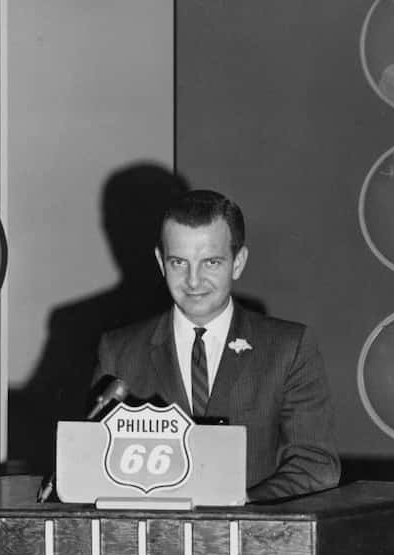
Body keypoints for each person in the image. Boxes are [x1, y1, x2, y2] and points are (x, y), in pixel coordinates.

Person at [93, 188, 340, 501]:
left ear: (238, 262)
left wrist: (243, 506)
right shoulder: (118, 351)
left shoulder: (289, 349)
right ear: (160, 262)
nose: (193, 281)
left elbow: (317, 465)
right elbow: (94, 462)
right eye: (179, 262)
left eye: (211, 262)